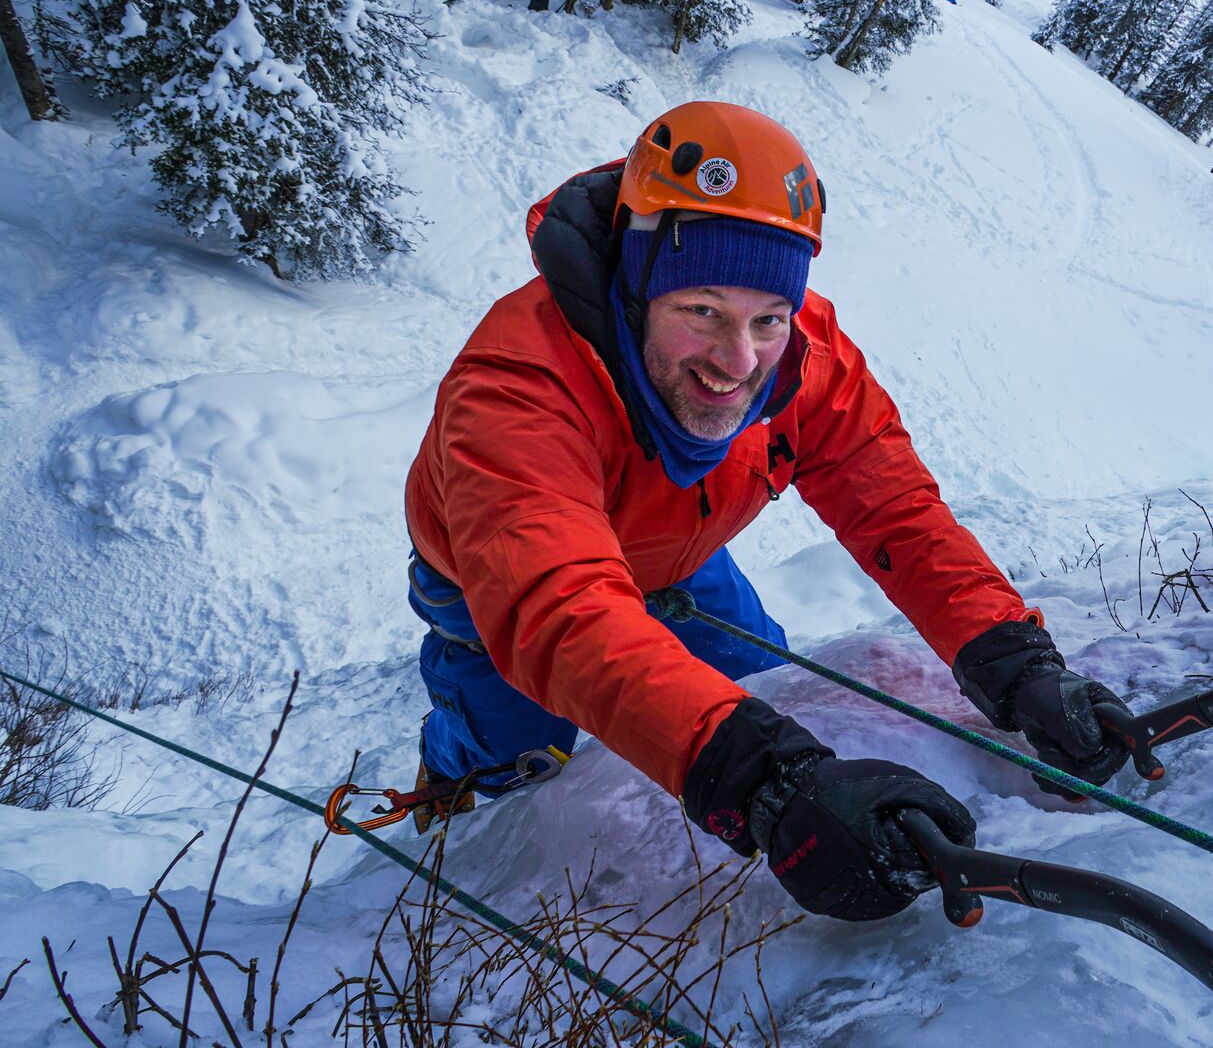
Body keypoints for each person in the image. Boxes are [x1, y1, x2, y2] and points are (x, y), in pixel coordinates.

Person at [402, 101, 1130, 921]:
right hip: (496, 583)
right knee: (512, 768)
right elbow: (559, 608)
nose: (736, 360)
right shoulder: (517, 385)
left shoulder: (805, 357)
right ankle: (444, 789)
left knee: (770, 696)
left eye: (766, 320)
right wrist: (761, 785)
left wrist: (1012, 659)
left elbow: (896, 509)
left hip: (677, 555)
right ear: (637, 288)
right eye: (701, 311)